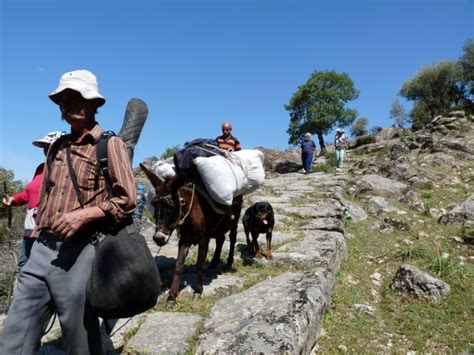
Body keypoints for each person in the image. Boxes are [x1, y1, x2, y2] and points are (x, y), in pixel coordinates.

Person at [0, 69, 136, 355]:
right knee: (15, 333)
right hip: (42, 248)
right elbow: (46, 197)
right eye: (62, 98)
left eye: (74, 97)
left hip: (81, 252)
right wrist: (37, 237)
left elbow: (127, 201)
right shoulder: (57, 148)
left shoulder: (109, 146)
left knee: (79, 337)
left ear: (94, 104)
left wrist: (83, 215)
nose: (66, 104)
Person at [2, 131, 63, 271]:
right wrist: (14, 199)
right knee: (24, 264)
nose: (45, 150)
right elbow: (30, 192)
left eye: (48, 146)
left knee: (43, 268)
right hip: (31, 227)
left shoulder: (63, 169)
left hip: (48, 228)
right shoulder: (41, 168)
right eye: (44, 146)